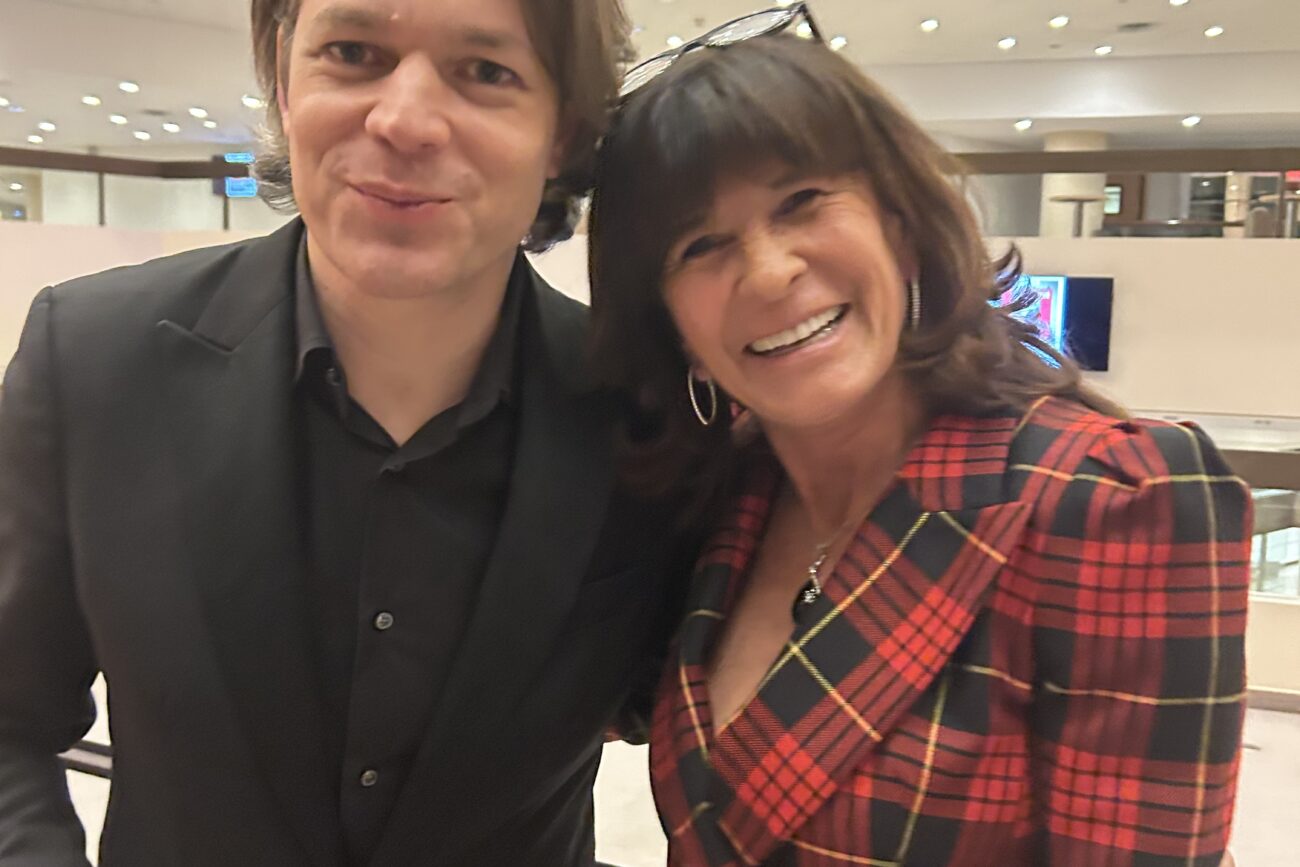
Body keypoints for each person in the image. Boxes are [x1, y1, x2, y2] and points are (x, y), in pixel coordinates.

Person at [0, 0, 683, 864]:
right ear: (286, 84)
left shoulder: (647, 412)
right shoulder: (95, 360)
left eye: (486, 71)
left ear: (564, 132)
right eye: (355, 52)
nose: (404, 120)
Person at [588, 7, 1252, 865]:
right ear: (672, 325)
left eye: (801, 203)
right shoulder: (727, 494)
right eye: (702, 244)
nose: (770, 271)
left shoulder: (1108, 500)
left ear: (898, 227)